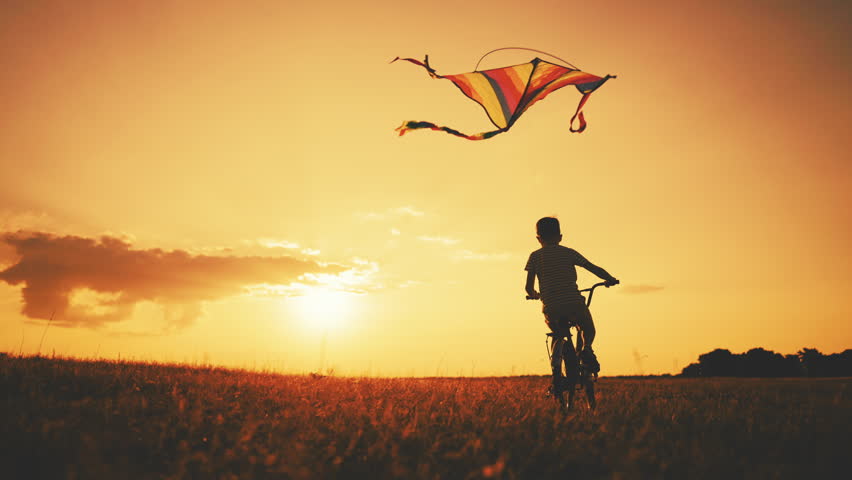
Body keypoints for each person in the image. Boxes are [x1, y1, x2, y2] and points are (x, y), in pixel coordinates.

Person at [524, 217, 618, 393]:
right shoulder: (569, 253)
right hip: (574, 303)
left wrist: (534, 294)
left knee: (558, 334)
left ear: (538, 238)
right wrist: (609, 279)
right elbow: (593, 267)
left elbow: (528, 287)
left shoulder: (534, 257)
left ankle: (558, 372)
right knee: (587, 328)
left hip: (551, 307)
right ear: (560, 237)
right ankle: (587, 349)